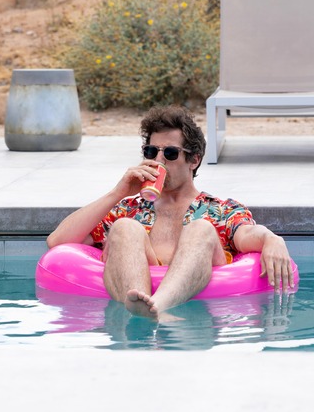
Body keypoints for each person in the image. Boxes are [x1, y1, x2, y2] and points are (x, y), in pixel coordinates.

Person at [46, 106, 293, 318]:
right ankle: (140, 310)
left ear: (194, 160)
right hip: (133, 290)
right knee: (124, 227)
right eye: (152, 152)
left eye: (171, 153)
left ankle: (157, 307)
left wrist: (272, 238)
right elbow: (57, 242)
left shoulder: (220, 209)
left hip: (197, 305)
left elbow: (248, 233)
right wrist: (118, 192)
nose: (160, 161)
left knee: (201, 228)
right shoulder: (129, 208)